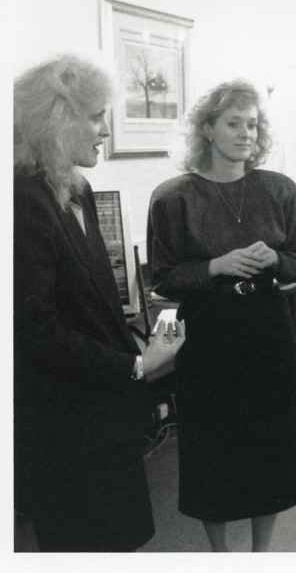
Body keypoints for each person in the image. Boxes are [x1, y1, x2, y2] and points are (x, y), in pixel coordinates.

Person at [13, 54, 185, 552]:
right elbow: (34, 330)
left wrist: (145, 344)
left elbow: (94, 301)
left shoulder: (78, 188)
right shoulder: (22, 201)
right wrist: (136, 364)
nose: (105, 130)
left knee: (123, 541)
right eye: (94, 117)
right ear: (56, 120)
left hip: (105, 417)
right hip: (65, 430)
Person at [147, 79, 296, 551]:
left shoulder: (279, 189)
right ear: (206, 128)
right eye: (233, 123)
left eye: (253, 124)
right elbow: (162, 278)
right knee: (213, 450)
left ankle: (260, 553)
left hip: (267, 327)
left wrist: (276, 261)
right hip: (209, 334)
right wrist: (213, 267)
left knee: (270, 447)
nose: (246, 132)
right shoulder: (173, 197)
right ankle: (220, 555)